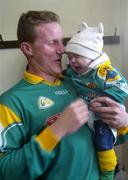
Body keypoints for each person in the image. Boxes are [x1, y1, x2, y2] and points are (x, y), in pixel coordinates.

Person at [0, 11, 128, 180]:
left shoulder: (81, 83)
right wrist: (56, 130)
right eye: (53, 43)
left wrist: (123, 123)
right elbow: (5, 171)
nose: (62, 50)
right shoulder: (10, 103)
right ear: (27, 48)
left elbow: (111, 139)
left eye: (62, 41)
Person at [65, 22, 128, 179]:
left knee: (103, 142)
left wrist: (104, 100)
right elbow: (65, 75)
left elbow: (122, 86)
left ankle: (108, 173)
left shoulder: (103, 71)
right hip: (86, 109)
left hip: (103, 112)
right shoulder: (73, 71)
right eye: (69, 57)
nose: (72, 61)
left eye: (77, 56)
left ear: (91, 55)